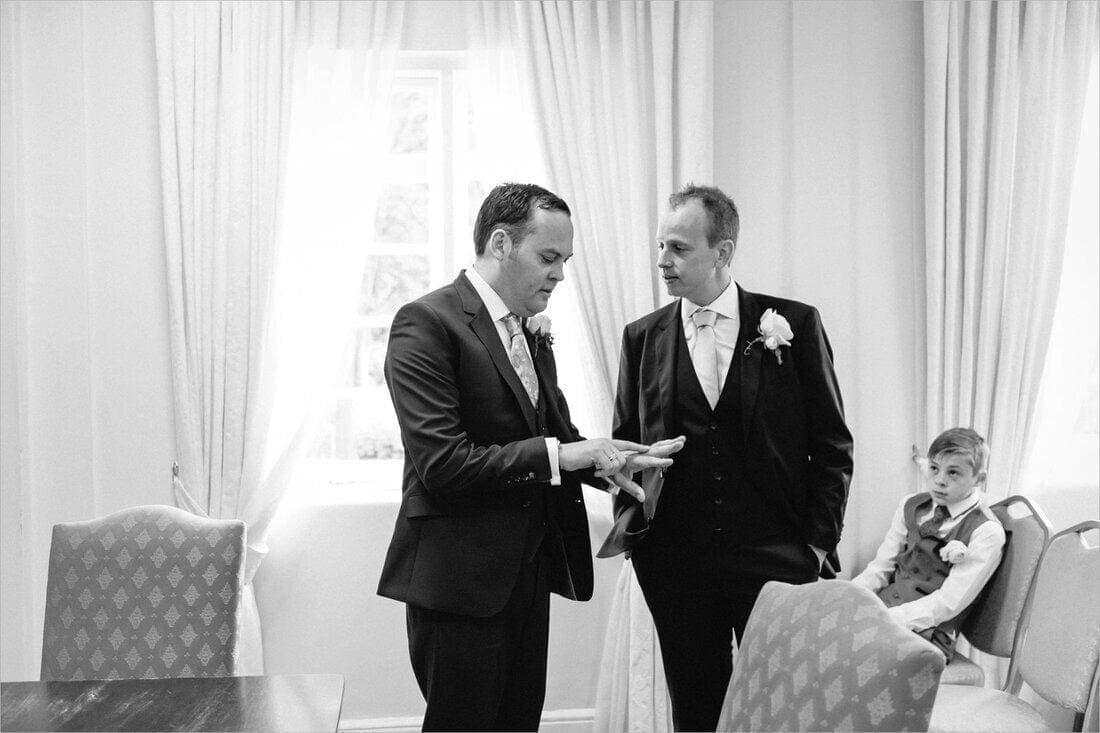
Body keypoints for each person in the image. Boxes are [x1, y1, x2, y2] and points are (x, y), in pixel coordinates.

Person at [377, 182, 681, 732]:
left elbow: (557, 437)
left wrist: (616, 461)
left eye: (564, 260)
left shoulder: (529, 332)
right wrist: (563, 456)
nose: (560, 274)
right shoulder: (426, 323)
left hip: (527, 576)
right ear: (500, 243)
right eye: (548, 257)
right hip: (460, 586)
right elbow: (443, 464)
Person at [598, 183, 854, 732]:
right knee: (696, 710)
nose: (662, 261)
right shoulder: (641, 339)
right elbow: (623, 444)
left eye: (678, 248)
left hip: (779, 560)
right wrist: (639, 528)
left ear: (723, 252)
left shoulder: (794, 324)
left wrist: (814, 545)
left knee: (785, 710)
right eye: (660, 246)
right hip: (677, 567)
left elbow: (833, 445)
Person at [851, 427, 1005, 656]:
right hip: (883, 609)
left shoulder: (986, 532)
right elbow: (881, 567)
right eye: (935, 469)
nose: (940, 481)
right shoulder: (912, 506)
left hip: (927, 633)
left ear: (979, 479)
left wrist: (885, 619)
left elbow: (947, 603)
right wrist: (846, 597)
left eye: (953, 473)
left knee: (849, 654)